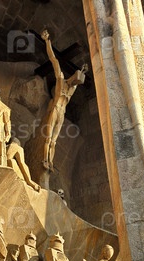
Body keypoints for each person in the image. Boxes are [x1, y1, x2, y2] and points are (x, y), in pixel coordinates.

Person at [41, 30, 88, 172]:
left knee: (54, 142)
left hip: (61, 115)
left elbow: (79, 80)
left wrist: (83, 71)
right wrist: (47, 41)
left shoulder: (72, 89)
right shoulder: (61, 80)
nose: (75, 83)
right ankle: (44, 159)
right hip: (55, 110)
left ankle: (50, 162)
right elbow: (53, 59)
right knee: (48, 139)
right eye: (75, 80)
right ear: (72, 77)